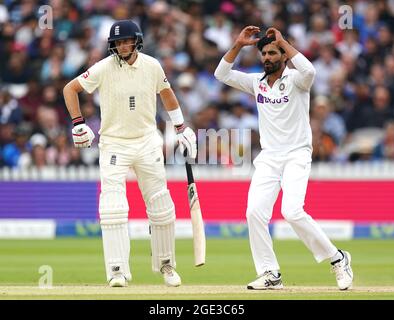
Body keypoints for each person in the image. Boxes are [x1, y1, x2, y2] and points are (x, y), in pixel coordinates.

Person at [214, 26, 353, 290]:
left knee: (291, 211)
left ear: (284, 56)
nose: (267, 57)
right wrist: (237, 45)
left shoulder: (297, 80)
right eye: (264, 53)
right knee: (254, 212)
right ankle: (269, 273)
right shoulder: (256, 83)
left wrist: (284, 42)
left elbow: (310, 71)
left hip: (297, 154)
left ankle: (338, 259)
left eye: (272, 53)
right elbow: (221, 74)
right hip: (269, 157)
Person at [63, 20, 197, 287]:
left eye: (127, 41)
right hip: (114, 143)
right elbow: (70, 89)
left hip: (147, 142)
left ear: (137, 41)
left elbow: (167, 93)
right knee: (113, 208)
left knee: (161, 207)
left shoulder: (152, 65)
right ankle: (117, 271)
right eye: (118, 42)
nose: (122, 46)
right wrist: (78, 123)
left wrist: (181, 126)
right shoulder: (104, 67)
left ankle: (166, 265)